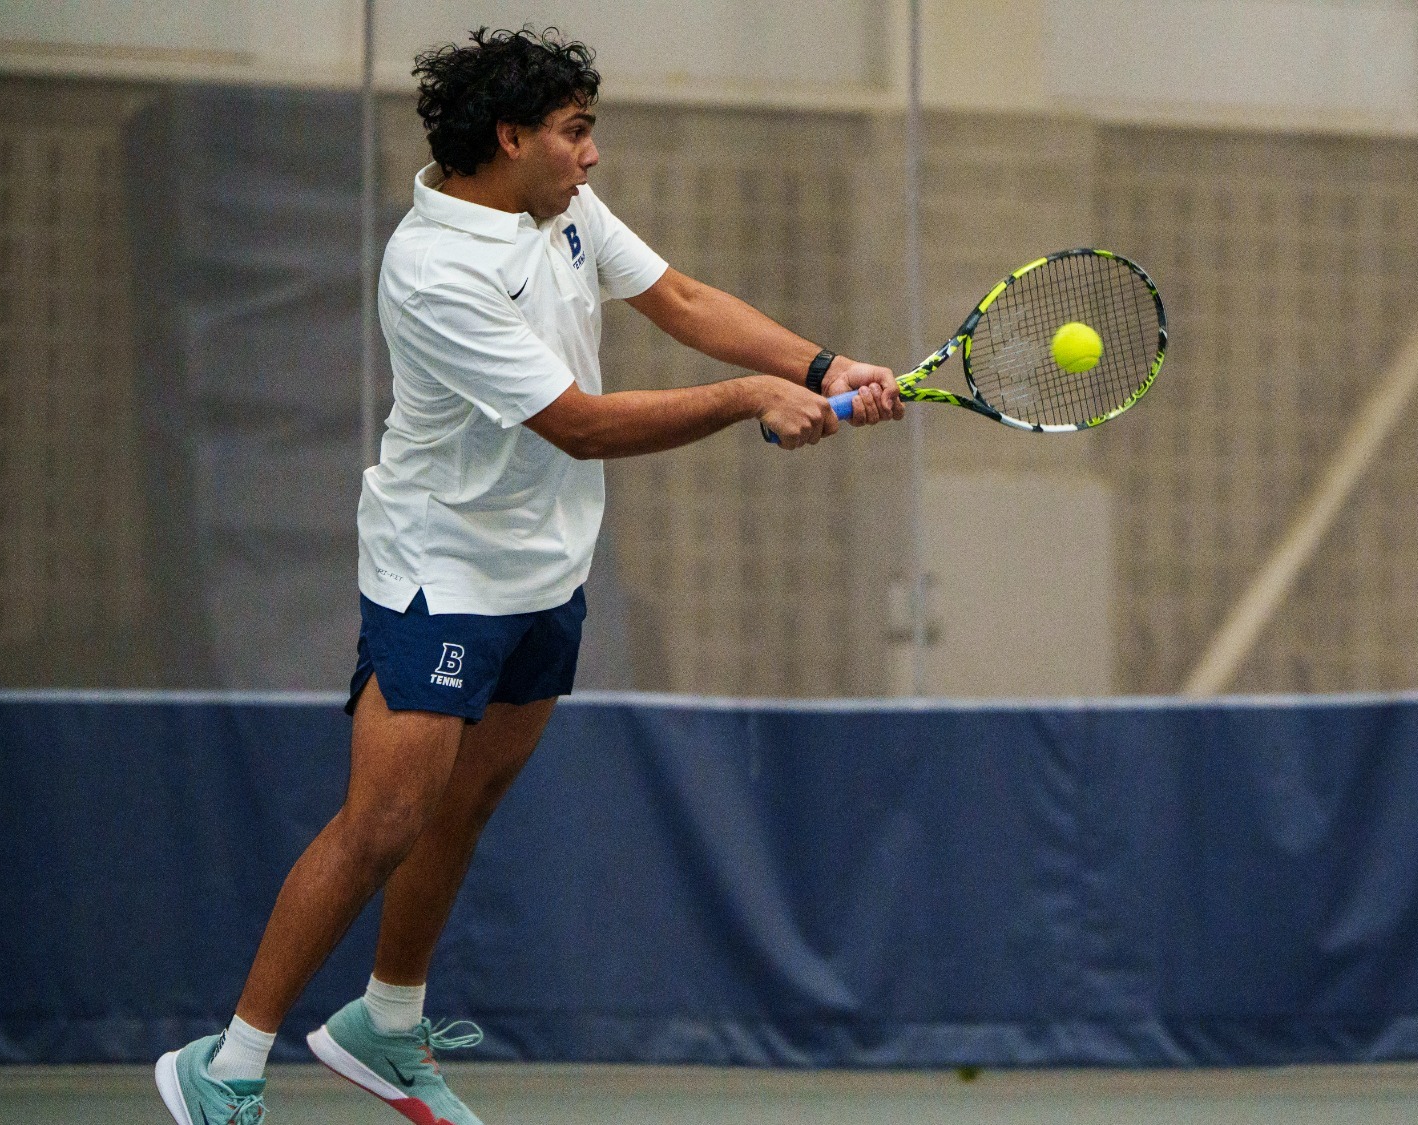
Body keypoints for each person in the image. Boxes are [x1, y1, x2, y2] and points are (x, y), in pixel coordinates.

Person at [154, 26, 901, 1125]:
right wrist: (749, 399)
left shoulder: (558, 214)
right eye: (574, 133)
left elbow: (681, 299)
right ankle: (227, 1060)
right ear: (510, 138)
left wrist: (819, 366)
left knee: (469, 803)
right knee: (385, 820)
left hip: (545, 570)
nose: (592, 156)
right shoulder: (433, 268)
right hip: (439, 573)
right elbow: (579, 425)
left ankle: (386, 1028)